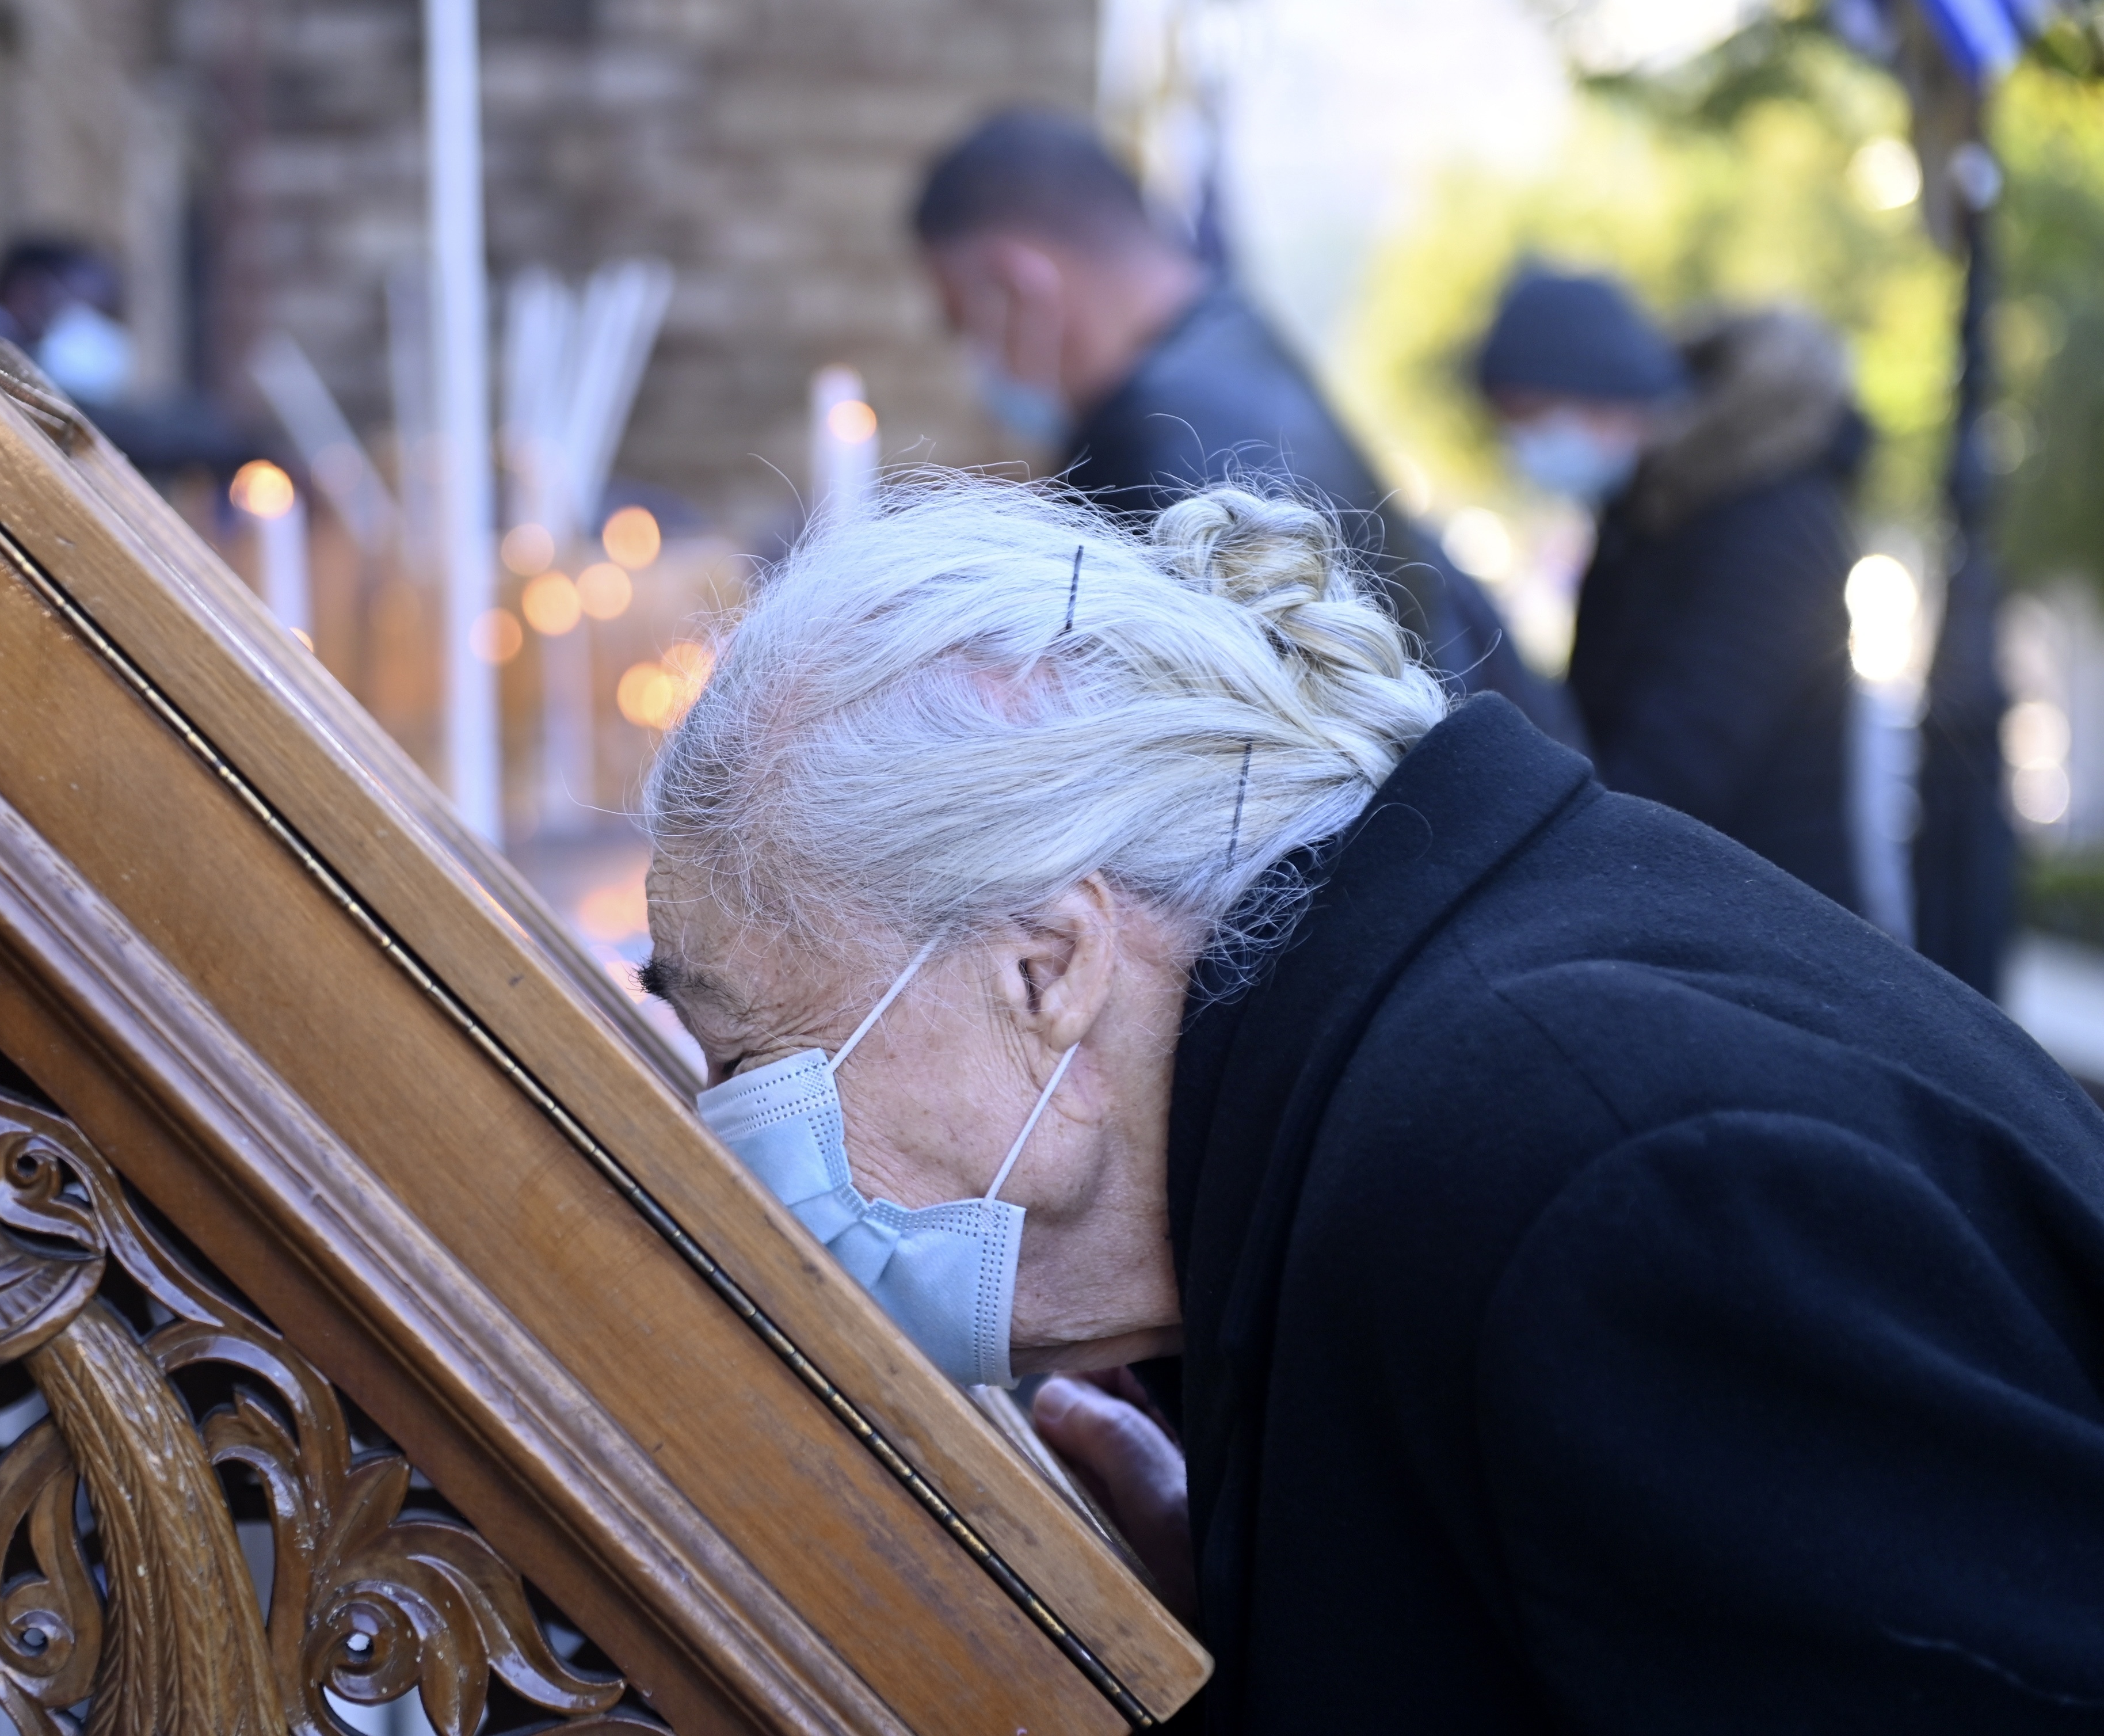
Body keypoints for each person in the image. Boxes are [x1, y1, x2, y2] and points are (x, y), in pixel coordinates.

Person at [638, 474, 2104, 1731]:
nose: (733, 1127)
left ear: (1045, 970)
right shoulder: (1408, 1085)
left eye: (747, 1046)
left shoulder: (1597, 1186)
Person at [912, 108, 1579, 745]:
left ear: (1018, 286)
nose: (973, 360)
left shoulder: (1166, 448)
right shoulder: (1232, 344)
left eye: (960, 321)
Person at [1478, 268, 1867, 911]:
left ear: (1601, 399)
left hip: (1770, 927)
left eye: (1530, 418)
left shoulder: (1771, 523)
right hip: (1693, 905)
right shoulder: (1643, 512)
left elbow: (1674, 770)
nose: (1521, 448)